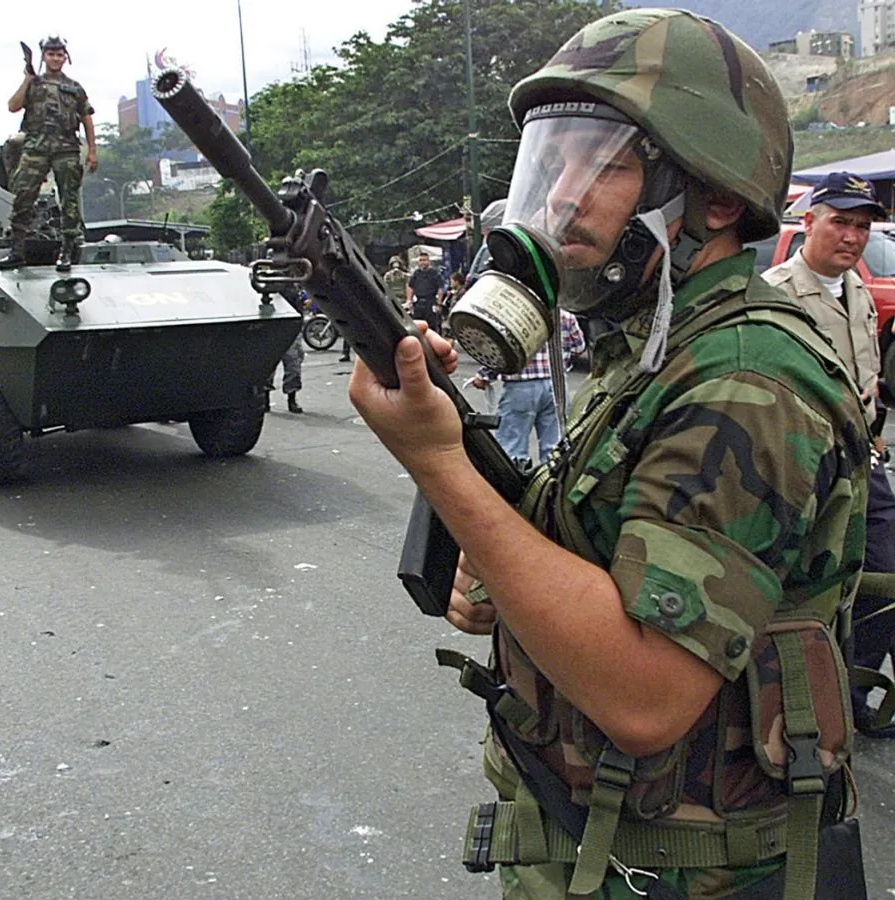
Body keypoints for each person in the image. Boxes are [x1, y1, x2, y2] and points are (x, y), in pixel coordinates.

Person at [349, 9, 870, 898]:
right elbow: (605, 556)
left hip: (676, 875)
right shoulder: (659, 345)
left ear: (714, 197)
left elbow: (645, 696)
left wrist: (437, 463)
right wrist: (504, 574)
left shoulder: (744, 378)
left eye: (603, 165)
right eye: (550, 165)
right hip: (599, 846)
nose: (560, 199)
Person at [762, 171, 895, 737]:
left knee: (881, 572)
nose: (852, 236)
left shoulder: (856, 289)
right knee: (805, 587)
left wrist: (875, 431)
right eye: (840, 222)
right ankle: (793, 702)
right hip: (801, 467)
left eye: (862, 226)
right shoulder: (776, 293)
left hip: (861, 464)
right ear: (808, 222)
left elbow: (864, 376)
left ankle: (853, 689)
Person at [0, 36, 98, 273]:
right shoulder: (33, 83)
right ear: (44, 56)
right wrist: (27, 79)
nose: (56, 58)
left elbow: (86, 117)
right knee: (23, 197)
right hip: (36, 148)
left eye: (60, 54)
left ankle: (67, 250)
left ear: (65, 58)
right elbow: (13, 106)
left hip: (66, 148)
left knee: (69, 200)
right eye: (51, 54)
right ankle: (17, 251)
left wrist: (92, 150)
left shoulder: (74, 87)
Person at [467, 308, 585, 467]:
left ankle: (515, 477)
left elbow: (501, 353)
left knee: (511, 446)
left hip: (520, 387)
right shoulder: (565, 316)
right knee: (555, 447)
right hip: (556, 386)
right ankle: (551, 479)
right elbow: (579, 348)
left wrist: (484, 376)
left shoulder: (514, 315)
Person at [405, 251, 443, 332]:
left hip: (430, 302)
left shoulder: (434, 273)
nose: (422, 262)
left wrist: (439, 304)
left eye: (424, 260)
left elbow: (440, 288)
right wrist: (409, 301)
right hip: (419, 304)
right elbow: (410, 287)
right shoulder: (416, 274)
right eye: (421, 260)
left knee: (432, 326)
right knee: (417, 326)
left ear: (429, 261)